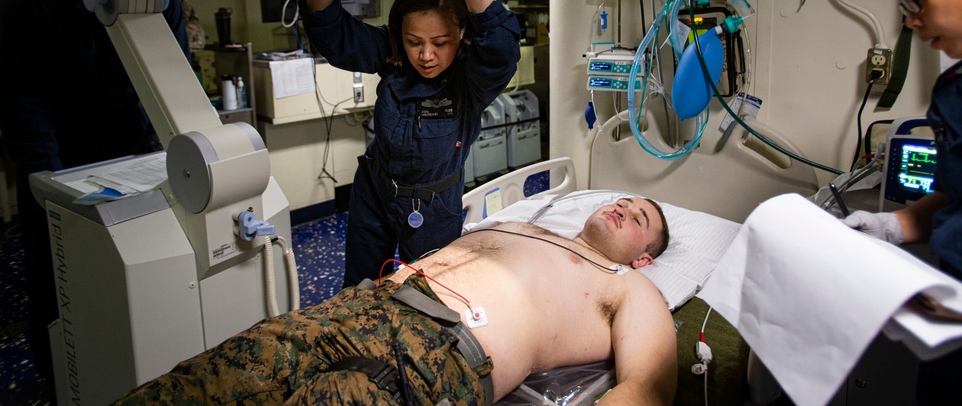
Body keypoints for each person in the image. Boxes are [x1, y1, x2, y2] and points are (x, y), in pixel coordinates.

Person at [116, 196, 677, 405]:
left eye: (641, 217)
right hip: (358, 306)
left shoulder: (627, 287)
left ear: (645, 256)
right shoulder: (521, 226)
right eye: (623, 200)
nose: (625, 207)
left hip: (432, 356)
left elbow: (647, 389)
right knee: (212, 376)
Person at [0, 0, 190, 383]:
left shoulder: (159, 0)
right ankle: (63, 384)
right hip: (64, 167)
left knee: (139, 281)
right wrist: (50, 188)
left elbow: (177, 83)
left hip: (137, 160)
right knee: (59, 291)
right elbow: (25, 102)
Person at [299, 0, 521, 286]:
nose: (426, 55)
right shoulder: (393, 55)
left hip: (433, 204)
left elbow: (502, 41)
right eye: (414, 41)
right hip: (375, 189)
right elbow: (330, 32)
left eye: (440, 42)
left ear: (462, 37)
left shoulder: (471, 79)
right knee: (360, 287)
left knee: (434, 291)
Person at [843, 0, 962, 405]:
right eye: (904, 5)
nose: (912, 19)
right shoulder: (953, 90)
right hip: (957, 325)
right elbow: (957, 198)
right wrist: (892, 227)